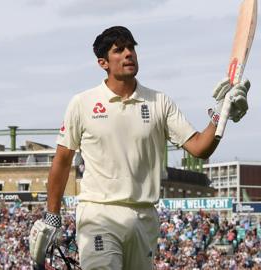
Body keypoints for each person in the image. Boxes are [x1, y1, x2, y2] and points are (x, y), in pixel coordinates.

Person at [29, 26, 250, 269]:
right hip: (98, 213)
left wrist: (220, 116)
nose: (128, 54)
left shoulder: (159, 102)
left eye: (131, 48)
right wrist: (52, 215)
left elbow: (200, 148)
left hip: (145, 217)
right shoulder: (82, 103)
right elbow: (61, 161)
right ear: (103, 62)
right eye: (119, 50)